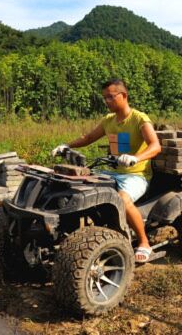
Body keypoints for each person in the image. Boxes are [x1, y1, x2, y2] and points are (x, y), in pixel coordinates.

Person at [51, 79, 161, 263]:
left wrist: (136, 158)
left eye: (110, 97)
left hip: (135, 175)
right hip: (113, 171)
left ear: (123, 96)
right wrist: (65, 146)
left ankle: (143, 242)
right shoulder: (109, 120)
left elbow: (155, 146)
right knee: (81, 186)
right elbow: (88, 138)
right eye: (104, 98)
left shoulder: (139, 119)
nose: (106, 101)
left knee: (123, 201)